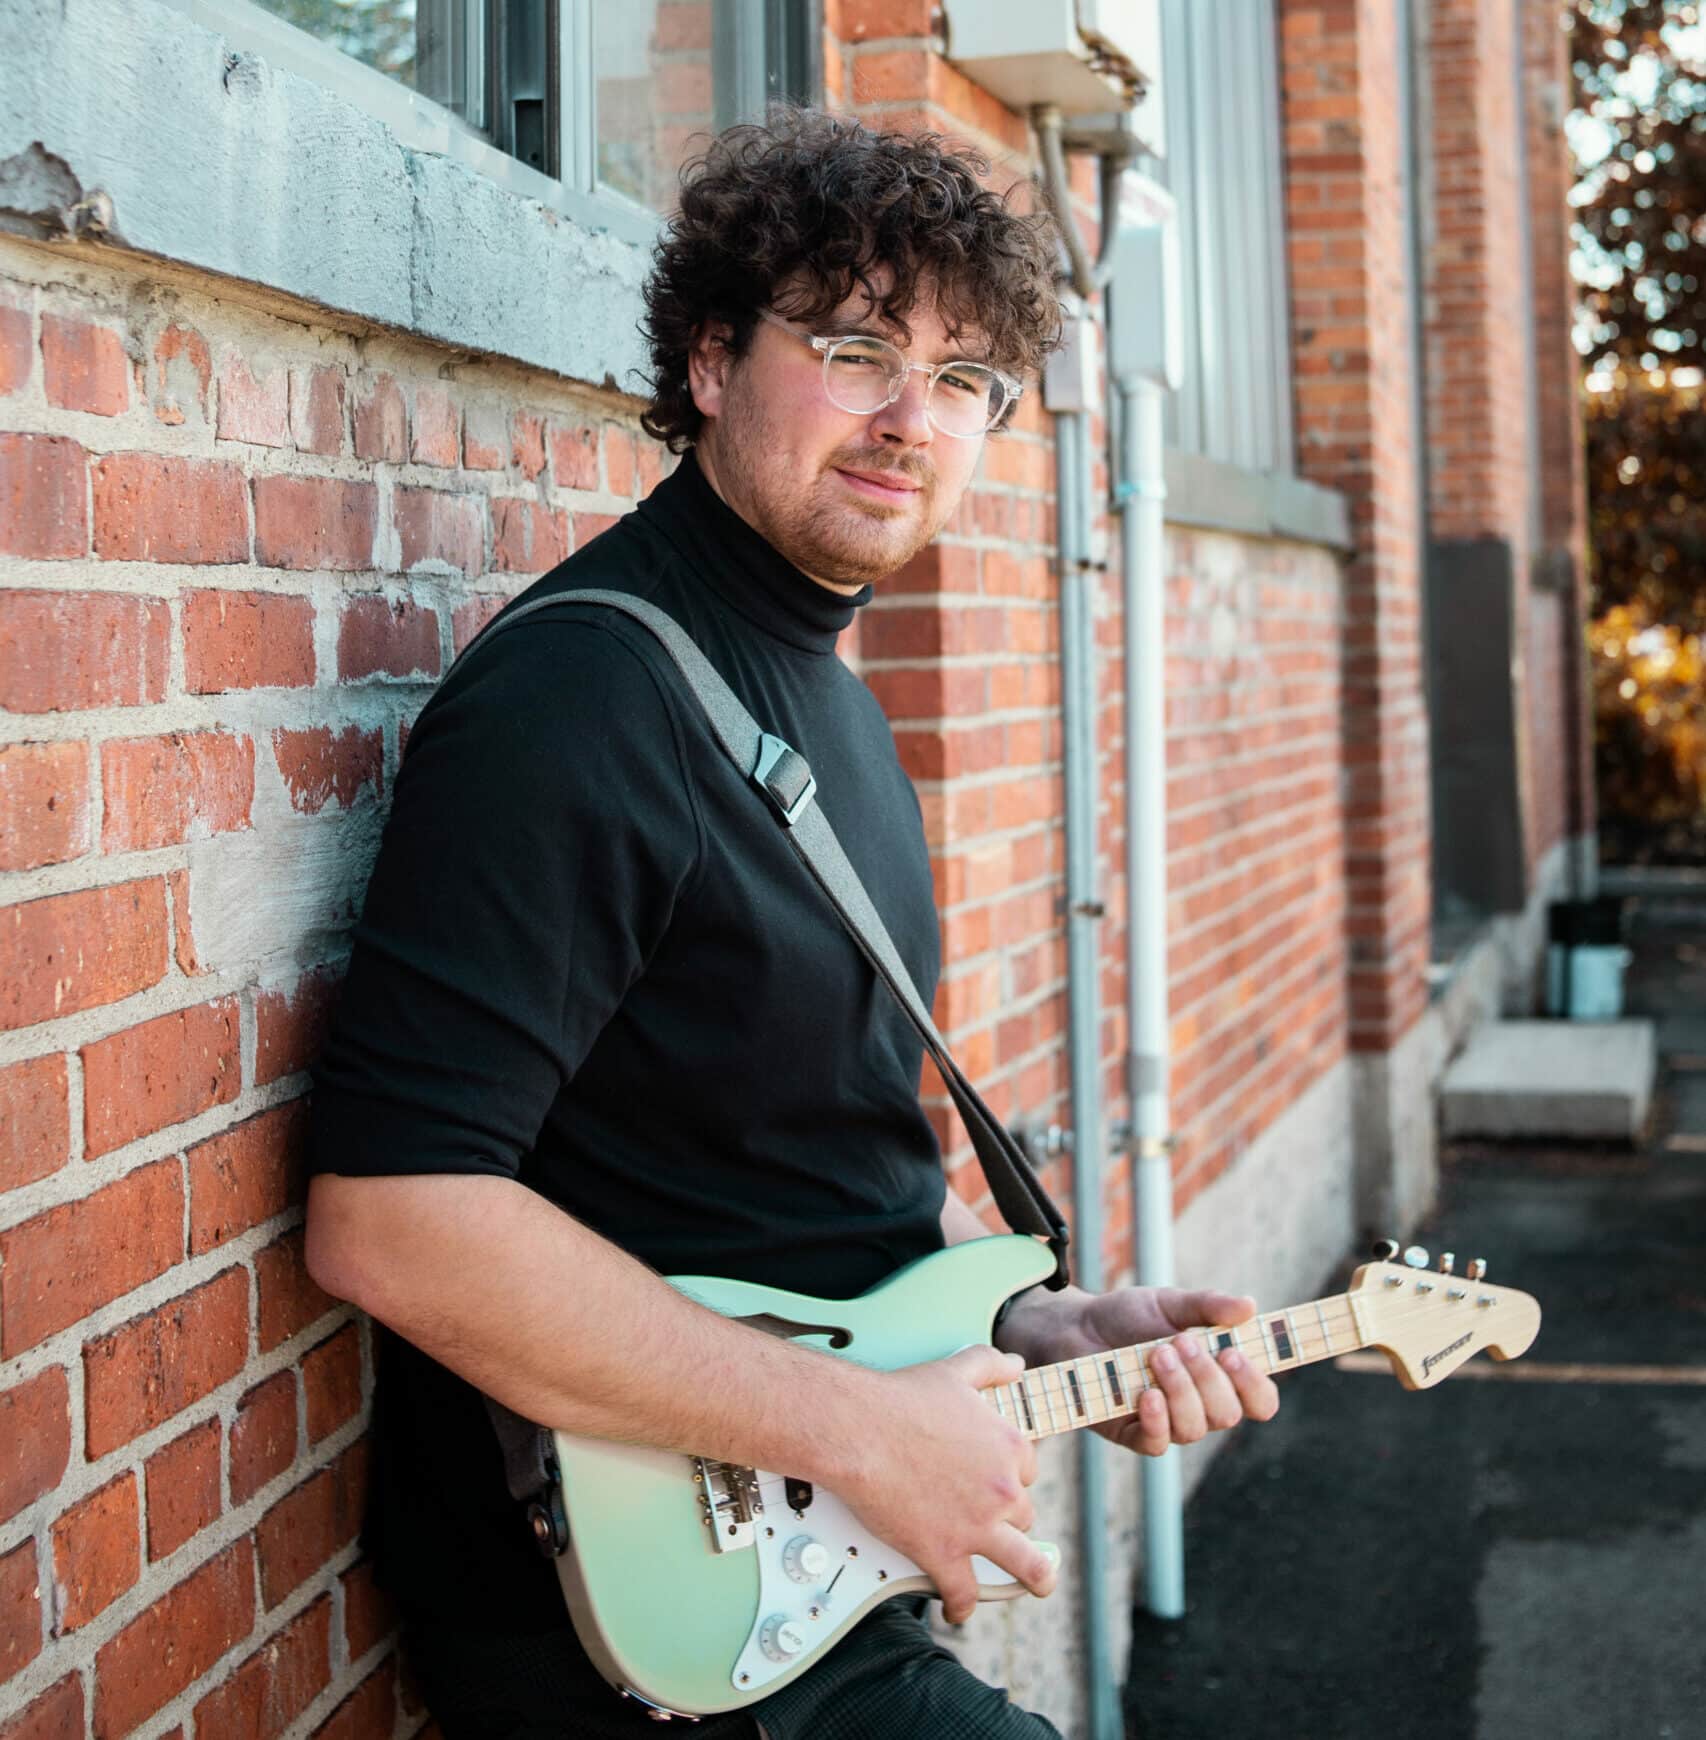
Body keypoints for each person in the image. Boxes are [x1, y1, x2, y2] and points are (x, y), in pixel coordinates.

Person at [304, 110, 1278, 1740]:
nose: (911, 420)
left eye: (962, 380)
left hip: (801, 1577)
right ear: (708, 359)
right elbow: (391, 1220)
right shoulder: (586, 698)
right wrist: (861, 1432)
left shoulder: (825, 703)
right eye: (854, 351)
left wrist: (1034, 1325)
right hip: (634, 1625)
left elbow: (795, 1168)